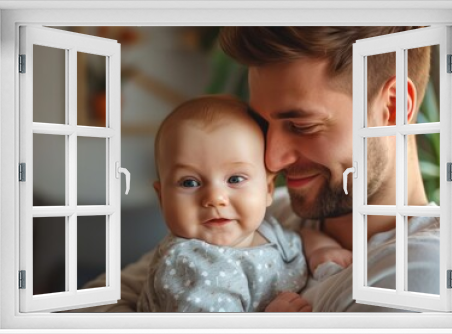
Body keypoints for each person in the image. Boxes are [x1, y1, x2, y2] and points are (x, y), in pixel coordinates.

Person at [218, 27, 439, 312]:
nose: (271, 160)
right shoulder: (264, 213)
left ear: (393, 108)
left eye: (302, 126)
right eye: (262, 126)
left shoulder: (420, 274)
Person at [136, 95, 350, 312]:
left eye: (235, 179)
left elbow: (295, 239)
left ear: (268, 189)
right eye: (190, 182)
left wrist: (321, 249)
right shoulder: (190, 265)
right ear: (162, 198)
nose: (215, 198)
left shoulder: (264, 228)